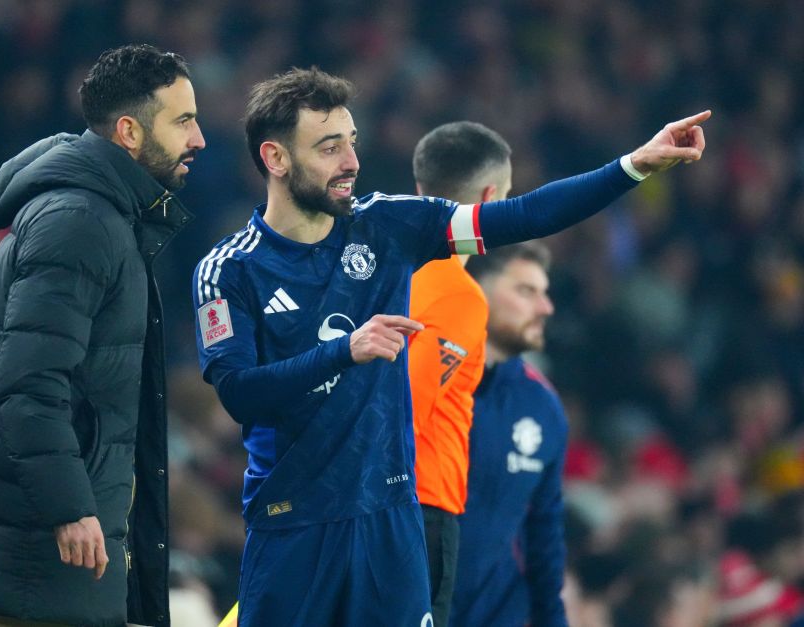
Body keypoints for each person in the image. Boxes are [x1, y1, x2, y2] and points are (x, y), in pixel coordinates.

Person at [192, 66, 708, 627]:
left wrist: (635, 165)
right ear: (275, 158)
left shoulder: (389, 224)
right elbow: (240, 393)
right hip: (293, 521)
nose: (351, 163)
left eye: (352, 143)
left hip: (390, 521)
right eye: (329, 147)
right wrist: (346, 351)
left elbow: (525, 215)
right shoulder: (228, 271)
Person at [0, 44, 205, 627]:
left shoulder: (106, 214)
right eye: (183, 120)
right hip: (41, 546)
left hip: (54, 542)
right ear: (129, 131)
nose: (198, 139)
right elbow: (27, 382)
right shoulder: (79, 222)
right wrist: (70, 508)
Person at [407, 121, 510, 627]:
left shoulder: (383, 267)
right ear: (490, 198)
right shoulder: (458, 294)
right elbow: (406, 405)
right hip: (419, 504)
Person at [449, 242, 566, 626]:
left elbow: (544, 535)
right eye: (526, 291)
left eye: (544, 293)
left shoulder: (544, 407)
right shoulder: (423, 379)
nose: (545, 308)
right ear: (476, 289)